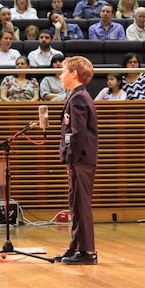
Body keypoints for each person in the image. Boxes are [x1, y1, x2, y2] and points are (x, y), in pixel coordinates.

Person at [55, 56, 98, 265]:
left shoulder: (79, 98)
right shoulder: (76, 96)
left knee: (81, 206)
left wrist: (70, 158)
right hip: (78, 160)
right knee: (75, 205)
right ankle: (76, 246)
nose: (60, 75)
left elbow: (78, 134)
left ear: (74, 74)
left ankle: (87, 251)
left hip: (80, 160)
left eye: (63, 71)